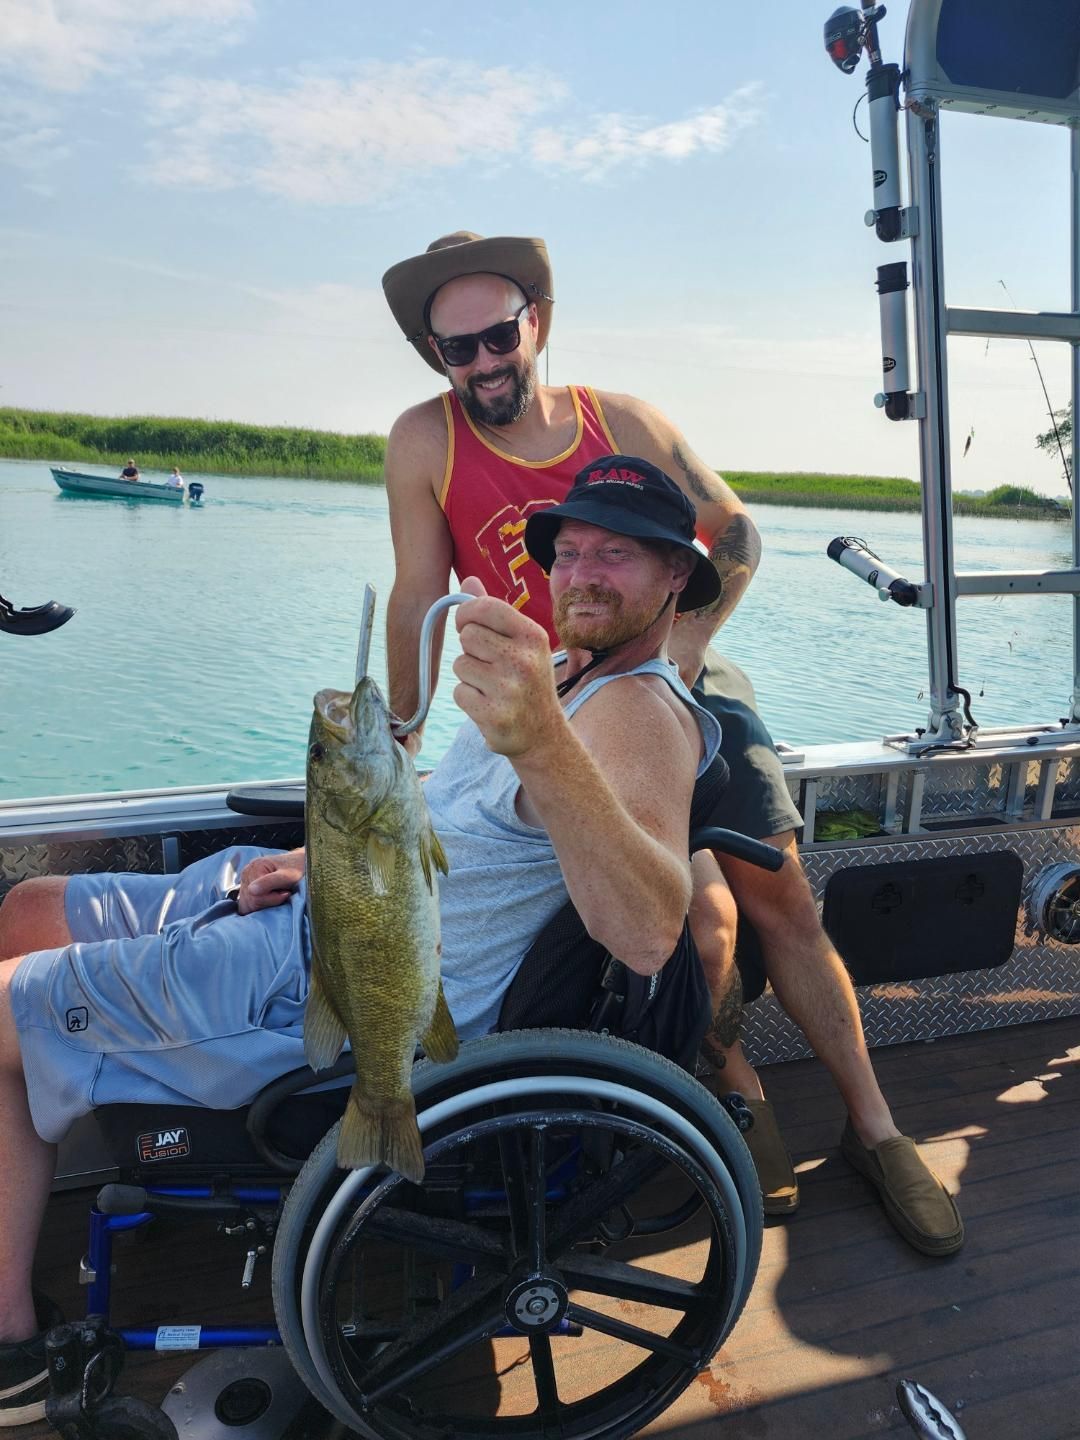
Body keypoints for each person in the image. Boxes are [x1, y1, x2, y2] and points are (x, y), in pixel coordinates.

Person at [0, 458, 722, 1427]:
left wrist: (542, 737)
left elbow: (645, 934)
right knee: (31, 906)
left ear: (678, 573)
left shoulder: (639, 711)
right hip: (335, 908)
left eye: (618, 554)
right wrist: (317, 857)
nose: (584, 571)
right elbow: (439, 813)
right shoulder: (555, 671)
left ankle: (11, 1347)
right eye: (571, 549)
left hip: (322, 985)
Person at [380, 231, 964, 1255]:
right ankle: (735, 1100)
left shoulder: (622, 420)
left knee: (777, 892)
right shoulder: (422, 439)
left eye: (497, 336)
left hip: (668, 671)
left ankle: (875, 1125)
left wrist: (675, 661)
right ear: (437, 357)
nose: (480, 363)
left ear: (537, 325)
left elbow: (732, 534)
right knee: (696, 927)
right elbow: (419, 596)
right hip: (538, 706)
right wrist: (399, 741)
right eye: (454, 349)